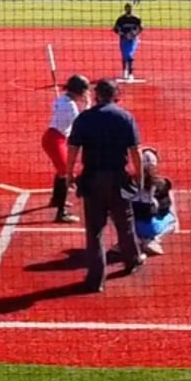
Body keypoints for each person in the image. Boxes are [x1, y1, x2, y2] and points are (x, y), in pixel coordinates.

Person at [66, 78, 145, 291]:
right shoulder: (125, 117)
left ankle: (96, 279)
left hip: (92, 179)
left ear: (97, 95)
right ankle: (132, 261)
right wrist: (139, 177)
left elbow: (73, 149)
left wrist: (69, 173)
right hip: (118, 179)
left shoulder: (84, 118)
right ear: (115, 95)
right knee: (125, 223)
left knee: (95, 230)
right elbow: (135, 151)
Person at [43, 74, 91, 223]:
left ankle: (56, 199)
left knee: (61, 171)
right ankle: (61, 213)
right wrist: (87, 104)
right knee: (65, 174)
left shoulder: (61, 100)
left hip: (53, 137)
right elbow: (82, 123)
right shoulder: (70, 106)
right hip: (55, 140)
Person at [132, 146, 177, 257]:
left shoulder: (128, 181)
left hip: (129, 226)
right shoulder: (162, 183)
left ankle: (129, 239)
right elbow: (164, 208)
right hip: (150, 228)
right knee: (173, 222)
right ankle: (152, 239)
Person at [114, 3, 142, 81]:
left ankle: (130, 73)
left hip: (133, 40)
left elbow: (140, 28)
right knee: (124, 56)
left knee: (130, 55)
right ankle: (124, 71)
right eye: (127, 8)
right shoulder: (121, 19)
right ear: (125, 9)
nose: (129, 10)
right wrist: (123, 34)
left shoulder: (136, 18)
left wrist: (134, 34)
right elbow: (115, 28)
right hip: (123, 39)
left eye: (130, 8)